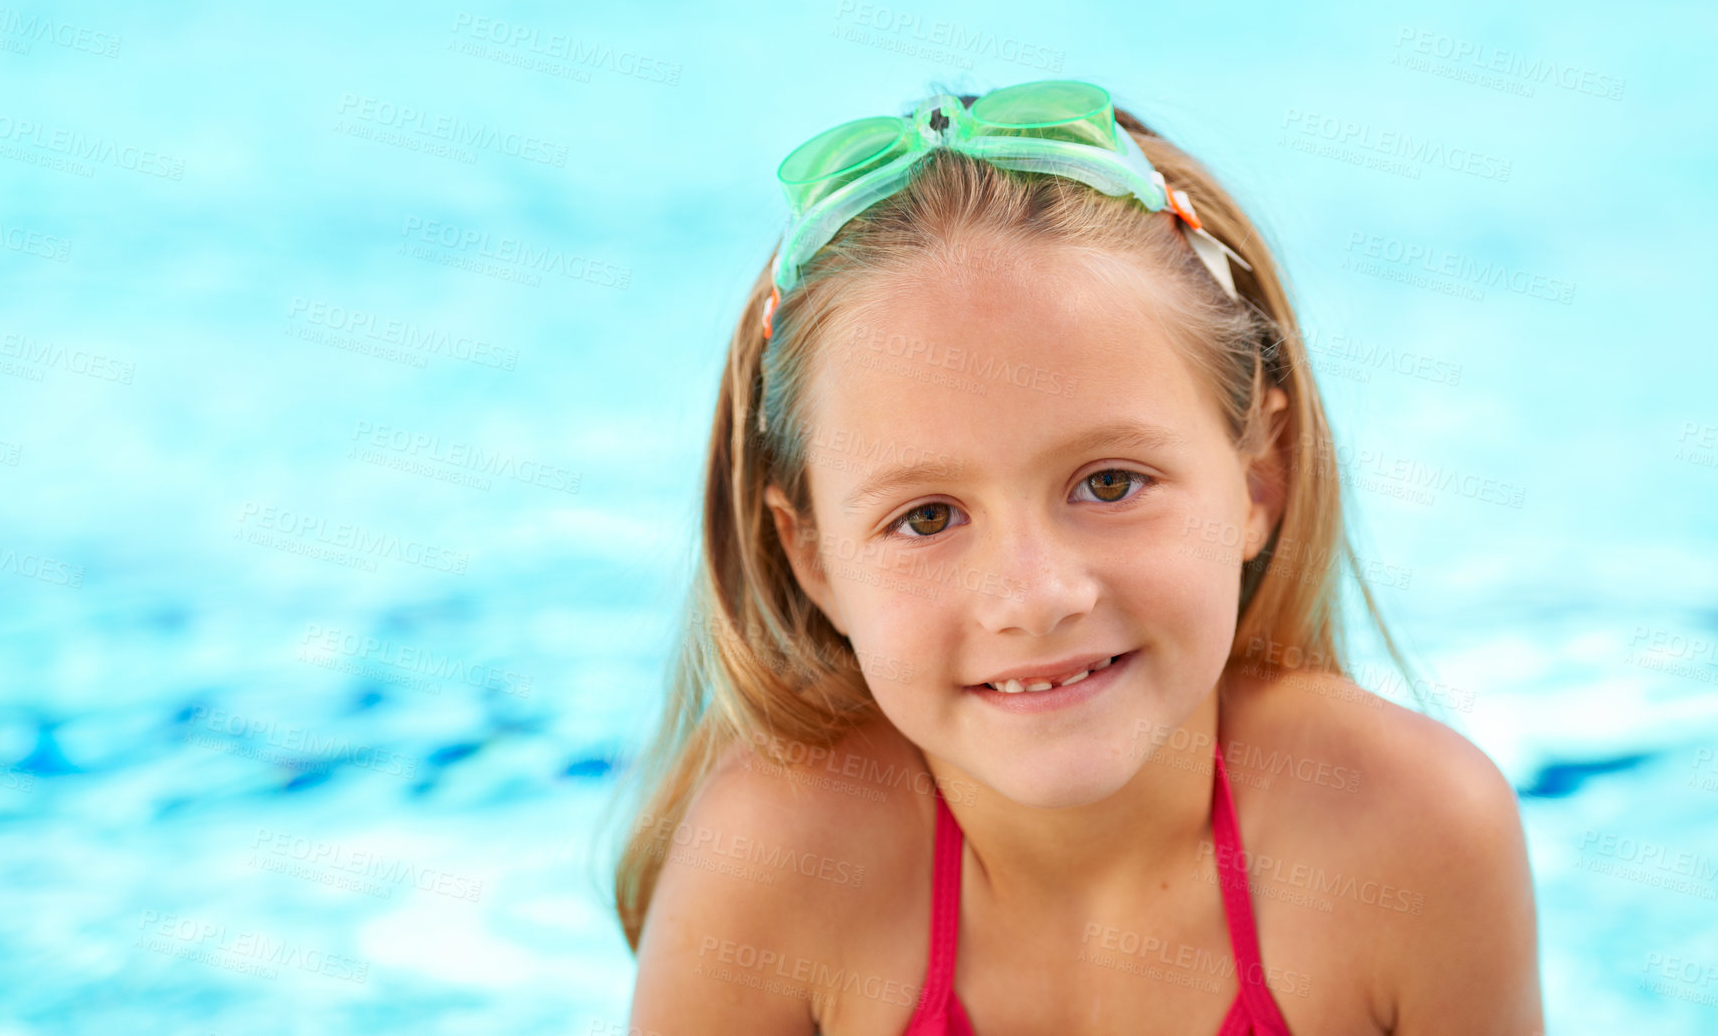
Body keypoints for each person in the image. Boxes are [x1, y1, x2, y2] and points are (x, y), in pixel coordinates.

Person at [609, 80, 1542, 1034]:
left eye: (1109, 484)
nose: (1035, 596)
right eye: (927, 518)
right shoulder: (772, 874)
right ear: (814, 561)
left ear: (1260, 480)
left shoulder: (1412, 841)